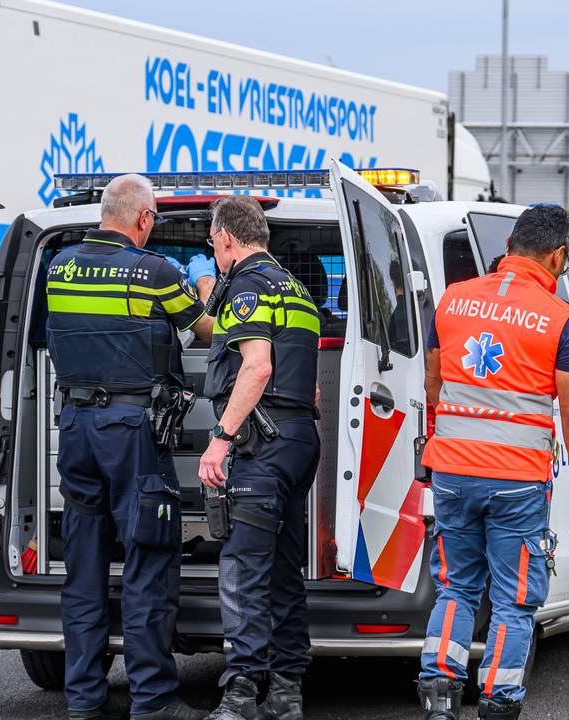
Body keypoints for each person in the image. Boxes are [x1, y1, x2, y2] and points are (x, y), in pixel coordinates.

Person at [417, 204, 569, 720]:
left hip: (451, 473)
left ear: (511, 245)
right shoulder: (562, 319)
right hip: (516, 482)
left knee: (455, 587)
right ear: (559, 255)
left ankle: (438, 697)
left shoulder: (452, 301)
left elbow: (433, 382)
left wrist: (447, 437)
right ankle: (498, 702)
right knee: (515, 600)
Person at [45, 174, 212, 720]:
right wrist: (208, 294)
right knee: (148, 559)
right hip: (130, 430)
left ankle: (84, 701)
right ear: (143, 218)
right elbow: (206, 332)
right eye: (155, 218)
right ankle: (153, 700)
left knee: (84, 566)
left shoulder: (58, 267)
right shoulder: (156, 272)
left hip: (74, 427)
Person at [197, 195, 322, 720]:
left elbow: (257, 367)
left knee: (243, 568)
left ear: (227, 236)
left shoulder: (247, 288)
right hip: (299, 440)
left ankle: (241, 695)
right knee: (283, 571)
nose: (212, 247)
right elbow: (309, 388)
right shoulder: (298, 291)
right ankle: (287, 693)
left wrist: (221, 439)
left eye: (211, 238)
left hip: (262, 444)